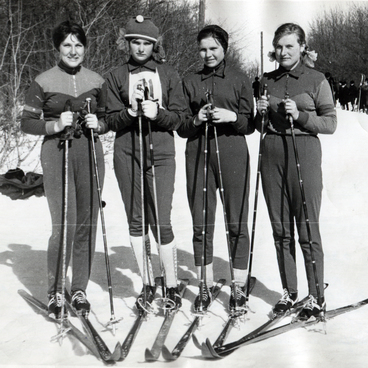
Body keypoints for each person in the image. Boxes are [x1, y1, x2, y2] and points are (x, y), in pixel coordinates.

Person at [21, 21, 108, 319]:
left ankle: (79, 287)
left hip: (90, 152)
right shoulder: (43, 80)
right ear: (58, 47)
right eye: (67, 45)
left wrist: (101, 123)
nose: (73, 51)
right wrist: (55, 125)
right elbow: (26, 122)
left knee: (86, 220)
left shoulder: (96, 79)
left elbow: (108, 116)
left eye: (79, 45)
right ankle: (56, 290)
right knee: (64, 222)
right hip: (57, 152)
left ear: (86, 48)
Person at [105, 16, 187, 310]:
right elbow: (109, 119)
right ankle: (148, 283)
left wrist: (158, 114)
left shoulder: (168, 74)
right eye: (134, 41)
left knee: (161, 219)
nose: (140, 48)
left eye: (146, 43)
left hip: (161, 153)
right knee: (136, 220)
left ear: (155, 46)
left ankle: (173, 284)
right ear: (125, 43)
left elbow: (181, 118)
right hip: (127, 152)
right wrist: (129, 113)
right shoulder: (115, 76)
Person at [256, 23, 337, 320]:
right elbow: (258, 126)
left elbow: (330, 123)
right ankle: (290, 291)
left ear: (302, 47)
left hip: (304, 151)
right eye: (279, 46)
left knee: (307, 229)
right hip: (272, 154)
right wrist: (261, 112)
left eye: (289, 46)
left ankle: (317, 296)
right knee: (280, 230)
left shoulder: (316, 79)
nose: (283, 51)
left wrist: (301, 115)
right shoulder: (266, 79)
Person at [178, 25, 255, 312]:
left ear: (225, 49)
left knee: (236, 222)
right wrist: (196, 119)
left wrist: (232, 115)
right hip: (198, 153)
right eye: (203, 49)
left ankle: (237, 285)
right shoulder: (190, 80)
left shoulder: (239, 78)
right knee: (202, 223)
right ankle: (204, 283)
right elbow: (181, 127)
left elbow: (249, 124)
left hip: (232, 153)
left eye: (214, 48)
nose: (208, 54)